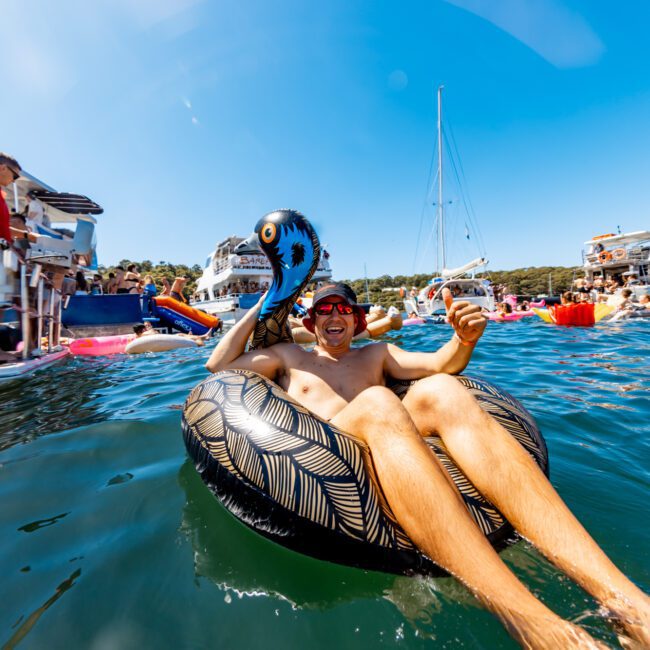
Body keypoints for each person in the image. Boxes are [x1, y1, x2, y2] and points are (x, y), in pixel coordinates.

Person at [206, 281, 649, 648]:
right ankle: (531, 622)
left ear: (357, 320)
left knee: (443, 389)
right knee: (378, 400)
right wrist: (264, 304)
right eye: (324, 309)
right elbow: (219, 366)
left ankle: (626, 603)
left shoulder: (375, 354)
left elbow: (441, 363)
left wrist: (464, 339)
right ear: (311, 321)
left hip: (387, 437)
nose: (334, 314)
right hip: (328, 451)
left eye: (343, 307)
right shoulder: (289, 356)